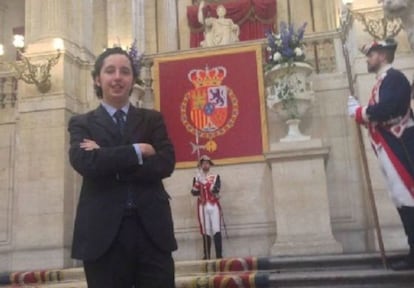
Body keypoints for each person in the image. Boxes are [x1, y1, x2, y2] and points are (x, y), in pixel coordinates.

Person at [68, 47, 177, 287]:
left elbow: (165, 163)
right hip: (102, 234)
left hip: (151, 231)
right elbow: (85, 163)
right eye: (110, 71)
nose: (117, 77)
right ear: (98, 78)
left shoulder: (152, 119)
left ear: (132, 79)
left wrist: (106, 158)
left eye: (125, 71)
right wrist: (138, 151)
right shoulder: (81, 123)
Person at [348, 38, 414, 270]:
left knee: (408, 197)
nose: (368, 59)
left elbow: (389, 109)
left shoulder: (394, 78)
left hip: (401, 146)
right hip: (388, 146)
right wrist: (362, 113)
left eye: (371, 55)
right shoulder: (382, 81)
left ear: (383, 56)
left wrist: (362, 111)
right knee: (401, 198)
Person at [191, 155, 223, 259]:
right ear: (200, 165)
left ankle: (219, 255)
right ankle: (207, 255)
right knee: (206, 230)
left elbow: (216, 189)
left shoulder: (216, 176)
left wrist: (207, 184)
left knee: (216, 228)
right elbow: (194, 192)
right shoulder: (197, 178)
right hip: (203, 205)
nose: (205, 165)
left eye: (207, 163)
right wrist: (198, 183)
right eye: (203, 163)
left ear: (210, 165)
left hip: (213, 204)